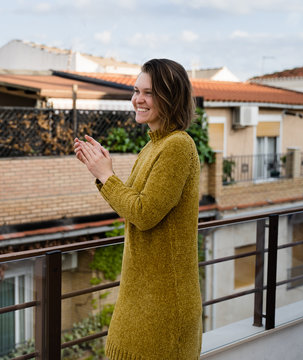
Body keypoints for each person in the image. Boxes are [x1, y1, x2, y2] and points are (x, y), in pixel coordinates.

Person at [74, 58, 202, 359]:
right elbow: (130, 204)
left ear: (171, 97)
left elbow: (144, 214)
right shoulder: (153, 146)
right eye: (136, 90)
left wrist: (106, 174)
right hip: (141, 297)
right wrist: (101, 169)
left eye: (148, 93)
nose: (137, 100)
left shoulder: (178, 146)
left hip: (164, 304)